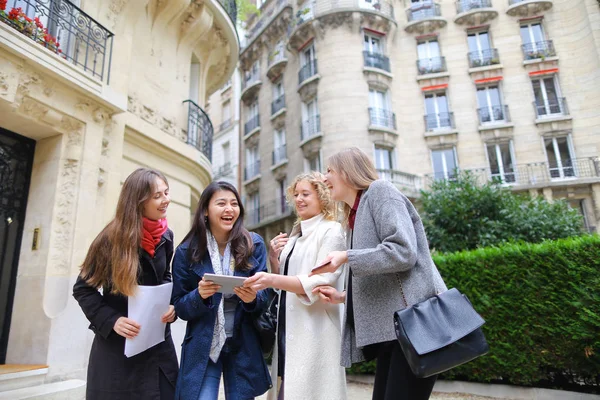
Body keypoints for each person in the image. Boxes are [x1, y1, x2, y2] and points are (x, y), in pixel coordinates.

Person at [311, 147, 447, 400]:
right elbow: (382, 269)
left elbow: (403, 251)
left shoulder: (380, 192)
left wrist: (346, 257)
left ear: (348, 171)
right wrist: (344, 296)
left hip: (413, 328)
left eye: (329, 170)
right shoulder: (355, 213)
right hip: (395, 331)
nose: (323, 178)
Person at [73, 168, 179, 400]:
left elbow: (165, 276)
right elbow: (83, 289)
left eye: (166, 192)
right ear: (139, 201)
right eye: (157, 196)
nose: (166, 200)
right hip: (119, 350)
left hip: (158, 345)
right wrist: (113, 321)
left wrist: (170, 307)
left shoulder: (166, 236)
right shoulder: (109, 240)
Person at [243, 172, 347, 400]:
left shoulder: (331, 230)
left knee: (311, 393)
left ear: (322, 197)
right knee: (287, 390)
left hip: (316, 329)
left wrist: (271, 279)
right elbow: (285, 287)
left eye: (306, 194)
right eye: (296, 194)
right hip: (289, 327)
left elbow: (320, 281)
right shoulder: (296, 236)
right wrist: (274, 261)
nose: (299, 199)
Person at [170, 181, 271, 400]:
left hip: (242, 343)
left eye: (234, 204)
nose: (229, 209)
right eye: (221, 203)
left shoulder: (254, 244)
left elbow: (265, 297)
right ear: (205, 210)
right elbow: (179, 306)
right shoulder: (186, 251)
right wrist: (199, 296)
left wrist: (252, 298)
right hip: (204, 345)